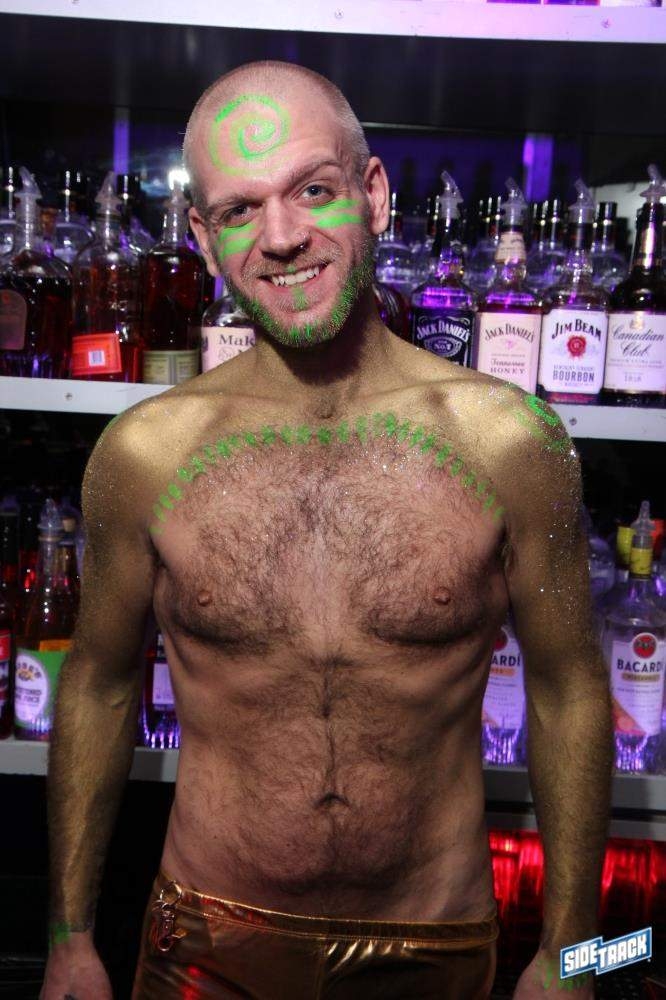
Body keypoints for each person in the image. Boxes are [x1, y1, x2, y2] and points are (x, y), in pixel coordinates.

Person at [40, 61, 613, 1000]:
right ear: (203, 237)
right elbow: (98, 686)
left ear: (374, 195)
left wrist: (572, 956)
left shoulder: (510, 442)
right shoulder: (146, 454)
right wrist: (68, 938)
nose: (281, 238)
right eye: (239, 209)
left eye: (313, 190)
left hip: (432, 944)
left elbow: (568, 691)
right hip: (207, 943)